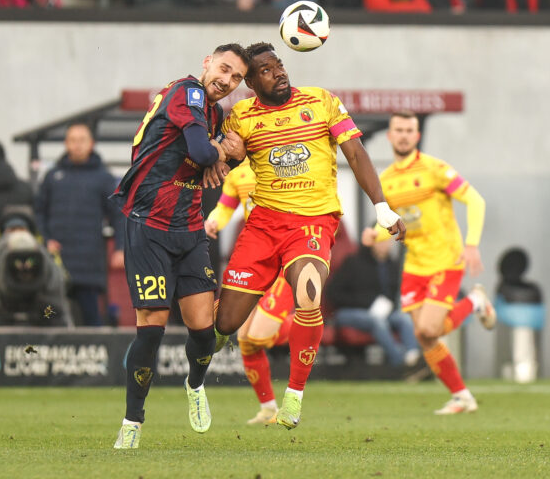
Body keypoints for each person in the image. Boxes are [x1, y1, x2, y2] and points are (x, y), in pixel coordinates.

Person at [211, 42, 406, 430]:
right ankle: (201, 374)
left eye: (279, 65)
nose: (279, 72)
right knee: (228, 326)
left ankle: (293, 396)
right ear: (250, 82)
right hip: (264, 226)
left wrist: (382, 206)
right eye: (266, 70)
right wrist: (220, 154)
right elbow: (224, 169)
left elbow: (355, 152)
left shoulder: (321, 101)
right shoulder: (240, 117)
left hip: (313, 223)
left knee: (309, 293)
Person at [109, 43, 249, 449]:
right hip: (148, 225)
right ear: (207, 63)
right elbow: (202, 151)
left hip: (188, 229)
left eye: (236, 77)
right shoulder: (187, 93)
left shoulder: (216, 112)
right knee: (151, 330)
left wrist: (227, 160)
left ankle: (195, 384)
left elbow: (212, 160)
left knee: (204, 331)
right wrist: (222, 152)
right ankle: (132, 422)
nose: (226, 81)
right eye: (223, 69)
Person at [363, 110, 496, 414]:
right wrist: (374, 235)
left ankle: (475, 300)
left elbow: (475, 200)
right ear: (390, 135)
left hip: (445, 260)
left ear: (417, 135)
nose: (404, 135)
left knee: (430, 328)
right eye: (399, 129)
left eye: (410, 130)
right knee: (425, 336)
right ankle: (462, 396)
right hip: (414, 267)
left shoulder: (435, 169)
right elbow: (391, 225)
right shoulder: (386, 180)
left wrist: (472, 244)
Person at [204, 157, 295, 425]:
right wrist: (212, 222)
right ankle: (268, 409)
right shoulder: (236, 175)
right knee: (246, 341)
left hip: (286, 258)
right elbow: (224, 208)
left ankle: (309, 326)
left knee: (256, 336)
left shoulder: (279, 159)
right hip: (259, 260)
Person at [35, 122, 125, 327]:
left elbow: (119, 215)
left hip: (89, 266)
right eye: (73, 140)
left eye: (82, 140)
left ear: (91, 144)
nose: (77, 145)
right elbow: (38, 213)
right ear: (66, 144)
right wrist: (46, 240)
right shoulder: (52, 177)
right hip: (55, 266)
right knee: (52, 320)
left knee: (92, 322)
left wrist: (120, 248)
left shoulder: (104, 178)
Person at [325, 231, 420, 368]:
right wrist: (367, 303)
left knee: (404, 319)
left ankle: (413, 358)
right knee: (376, 321)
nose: (383, 245)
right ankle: (400, 363)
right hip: (347, 312)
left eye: (387, 241)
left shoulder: (392, 266)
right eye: (380, 241)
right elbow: (332, 293)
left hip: (382, 313)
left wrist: (387, 306)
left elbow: (394, 296)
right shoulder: (353, 262)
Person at [0, 210, 72, 327]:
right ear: (3, 233)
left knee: (56, 316)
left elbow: (62, 283)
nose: (17, 235)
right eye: (11, 230)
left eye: (21, 229)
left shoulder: (45, 254)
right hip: (1, 310)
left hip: (39, 310)